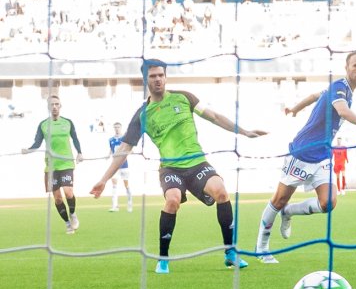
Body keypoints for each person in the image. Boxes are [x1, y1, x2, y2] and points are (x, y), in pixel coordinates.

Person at [91, 59, 266, 273]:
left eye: (161, 75)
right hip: (171, 169)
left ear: (165, 77)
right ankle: (163, 259)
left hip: (197, 163)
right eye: (153, 76)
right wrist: (103, 179)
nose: (158, 79)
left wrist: (243, 131)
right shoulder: (142, 115)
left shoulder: (184, 97)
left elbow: (214, 117)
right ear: (145, 79)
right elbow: (125, 148)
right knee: (172, 200)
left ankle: (230, 253)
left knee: (221, 191)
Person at [255, 52, 356, 264]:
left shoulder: (344, 90)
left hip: (323, 155)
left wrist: (295, 109)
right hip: (304, 151)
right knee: (278, 199)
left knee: (328, 202)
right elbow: (342, 111)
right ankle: (261, 247)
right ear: (347, 68)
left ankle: (289, 212)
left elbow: (315, 96)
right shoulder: (339, 87)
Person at [22, 95, 83, 233]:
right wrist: (28, 150)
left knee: (68, 193)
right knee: (57, 198)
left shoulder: (68, 122)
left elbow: (75, 139)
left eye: (57, 104)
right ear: (48, 107)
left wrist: (79, 152)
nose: (54, 106)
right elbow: (37, 143)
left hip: (66, 163)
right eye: (52, 104)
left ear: (60, 106)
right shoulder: (43, 125)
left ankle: (73, 214)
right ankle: (68, 223)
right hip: (51, 166)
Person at [107, 121, 134, 212]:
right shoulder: (111, 140)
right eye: (115, 127)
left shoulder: (125, 139)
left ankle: (129, 204)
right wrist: (108, 155)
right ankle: (115, 206)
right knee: (114, 185)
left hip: (124, 165)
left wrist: (128, 152)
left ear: (121, 128)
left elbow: (130, 150)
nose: (117, 129)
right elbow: (111, 150)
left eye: (118, 127)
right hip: (115, 166)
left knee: (126, 185)